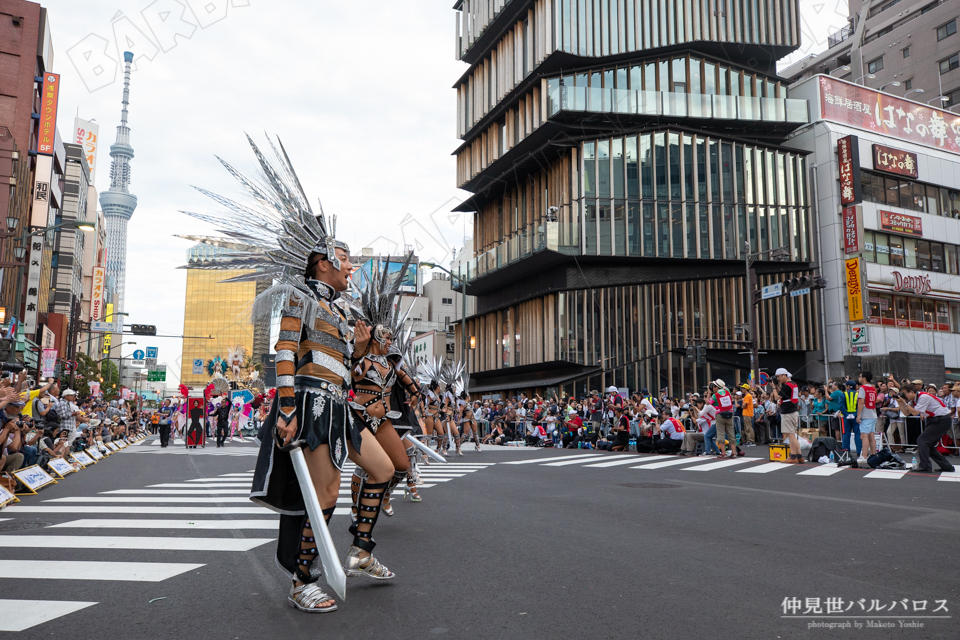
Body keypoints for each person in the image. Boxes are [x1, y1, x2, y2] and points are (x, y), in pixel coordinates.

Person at [894, 384, 956, 474]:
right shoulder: (914, 400)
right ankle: (947, 466)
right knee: (928, 445)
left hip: (941, 419)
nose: (903, 396)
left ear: (912, 392)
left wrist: (904, 403)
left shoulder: (923, 397)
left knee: (922, 440)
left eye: (904, 393)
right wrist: (899, 402)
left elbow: (915, 413)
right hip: (935, 420)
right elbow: (906, 413)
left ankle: (925, 466)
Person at [771, 368, 803, 464]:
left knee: (791, 435)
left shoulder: (787, 385)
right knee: (793, 435)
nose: (778, 379)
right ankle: (799, 456)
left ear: (784, 375)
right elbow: (783, 394)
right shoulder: (793, 384)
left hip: (788, 412)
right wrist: (776, 387)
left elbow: (777, 397)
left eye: (778, 377)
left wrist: (773, 387)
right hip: (793, 411)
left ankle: (792, 457)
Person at [708, 380, 737, 459]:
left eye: (714, 386)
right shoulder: (727, 391)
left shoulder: (715, 395)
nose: (713, 388)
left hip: (720, 415)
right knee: (731, 433)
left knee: (720, 433)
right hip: (729, 414)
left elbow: (709, 402)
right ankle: (734, 453)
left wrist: (709, 392)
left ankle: (723, 453)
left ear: (717, 387)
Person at [855, 371, 879, 462]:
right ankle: (873, 454)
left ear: (864, 378)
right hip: (873, 414)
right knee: (871, 436)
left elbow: (861, 402)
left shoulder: (862, 388)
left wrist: (858, 415)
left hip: (866, 415)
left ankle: (864, 456)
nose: (859, 378)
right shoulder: (873, 388)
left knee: (864, 436)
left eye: (860, 376)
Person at [841, 379, 862, 458]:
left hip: (846, 417)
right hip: (856, 417)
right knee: (857, 434)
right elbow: (859, 405)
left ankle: (846, 451)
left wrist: (846, 414)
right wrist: (855, 414)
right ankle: (859, 451)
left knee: (846, 434)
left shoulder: (843, 394)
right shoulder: (858, 394)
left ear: (848, 386)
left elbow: (841, 405)